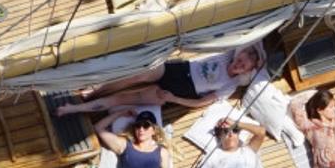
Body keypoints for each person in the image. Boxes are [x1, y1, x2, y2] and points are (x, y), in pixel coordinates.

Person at [57, 45, 263, 116]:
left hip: (182, 89)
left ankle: (73, 109)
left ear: (248, 70)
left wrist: (173, 99)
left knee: (124, 98)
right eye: (241, 59)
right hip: (181, 69)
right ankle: (95, 92)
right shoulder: (227, 54)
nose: (239, 64)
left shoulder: (231, 84)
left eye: (244, 65)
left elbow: (202, 102)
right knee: (139, 74)